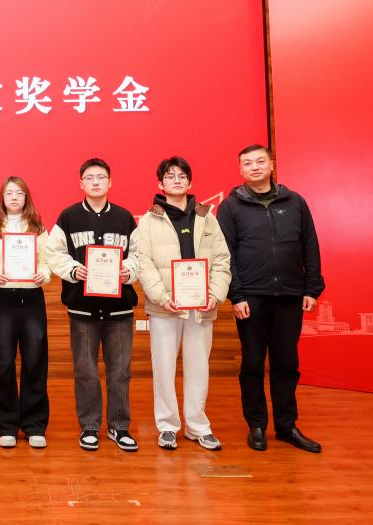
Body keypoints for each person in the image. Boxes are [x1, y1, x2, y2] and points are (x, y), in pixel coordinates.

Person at [217, 144, 325, 453]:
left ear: (271, 164)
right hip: (251, 297)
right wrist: (236, 295)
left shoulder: (295, 202)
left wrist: (312, 288)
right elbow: (226, 254)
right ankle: (257, 425)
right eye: (247, 163)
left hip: (290, 294)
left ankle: (287, 426)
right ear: (240, 170)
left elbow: (310, 246)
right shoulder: (231, 207)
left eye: (260, 161)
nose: (254, 167)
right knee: (252, 363)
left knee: (287, 362)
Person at [132, 157, 231, 451]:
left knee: (198, 367)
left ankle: (198, 426)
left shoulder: (207, 217)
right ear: (160, 184)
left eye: (182, 176)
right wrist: (162, 297)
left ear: (190, 182)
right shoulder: (148, 220)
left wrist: (215, 294)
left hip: (202, 306)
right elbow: (143, 263)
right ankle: (167, 426)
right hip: (165, 306)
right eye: (170, 176)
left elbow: (222, 259)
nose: (176, 180)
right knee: (163, 368)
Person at [45, 157, 140, 452]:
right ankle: (89, 426)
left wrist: (128, 271)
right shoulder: (68, 217)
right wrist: (74, 270)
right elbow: (53, 253)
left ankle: (119, 426)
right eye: (90, 178)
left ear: (110, 182)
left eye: (101, 177)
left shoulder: (125, 218)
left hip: (119, 309)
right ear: (81, 183)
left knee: (120, 371)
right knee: (85, 370)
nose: (96, 182)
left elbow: (140, 255)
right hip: (82, 309)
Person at [0, 176, 51, 449]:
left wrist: (43, 275)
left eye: (19, 193)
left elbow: (47, 263)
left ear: (26, 198)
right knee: (2, 363)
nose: (13, 197)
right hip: (3, 300)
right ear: (2, 198)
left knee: (35, 361)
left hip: (32, 299)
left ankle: (34, 425)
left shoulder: (39, 228)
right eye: (9, 193)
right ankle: (7, 425)